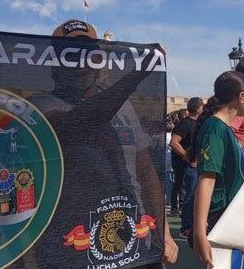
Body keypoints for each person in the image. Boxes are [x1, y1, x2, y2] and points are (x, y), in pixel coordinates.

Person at [23, 19, 178, 268]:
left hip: (135, 234)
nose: (79, 65)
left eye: (87, 56)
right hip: (73, 241)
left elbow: (145, 171)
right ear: (54, 65)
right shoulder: (38, 107)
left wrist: (164, 231)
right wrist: (136, 76)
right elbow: (75, 126)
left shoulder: (124, 107)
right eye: (70, 57)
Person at [189, 71, 244, 268]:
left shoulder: (224, 129)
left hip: (232, 217)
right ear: (241, 97)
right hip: (222, 219)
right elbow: (207, 180)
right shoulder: (215, 129)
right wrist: (199, 232)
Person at [169, 97, 204, 237]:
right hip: (188, 166)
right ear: (197, 108)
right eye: (202, 106)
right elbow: (174, 142)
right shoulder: (186, 124)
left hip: (195, 165)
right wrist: (188, 158)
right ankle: (186, 227)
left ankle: (192, 225)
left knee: (194, 195)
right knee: (190, 196)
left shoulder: (197, 123)